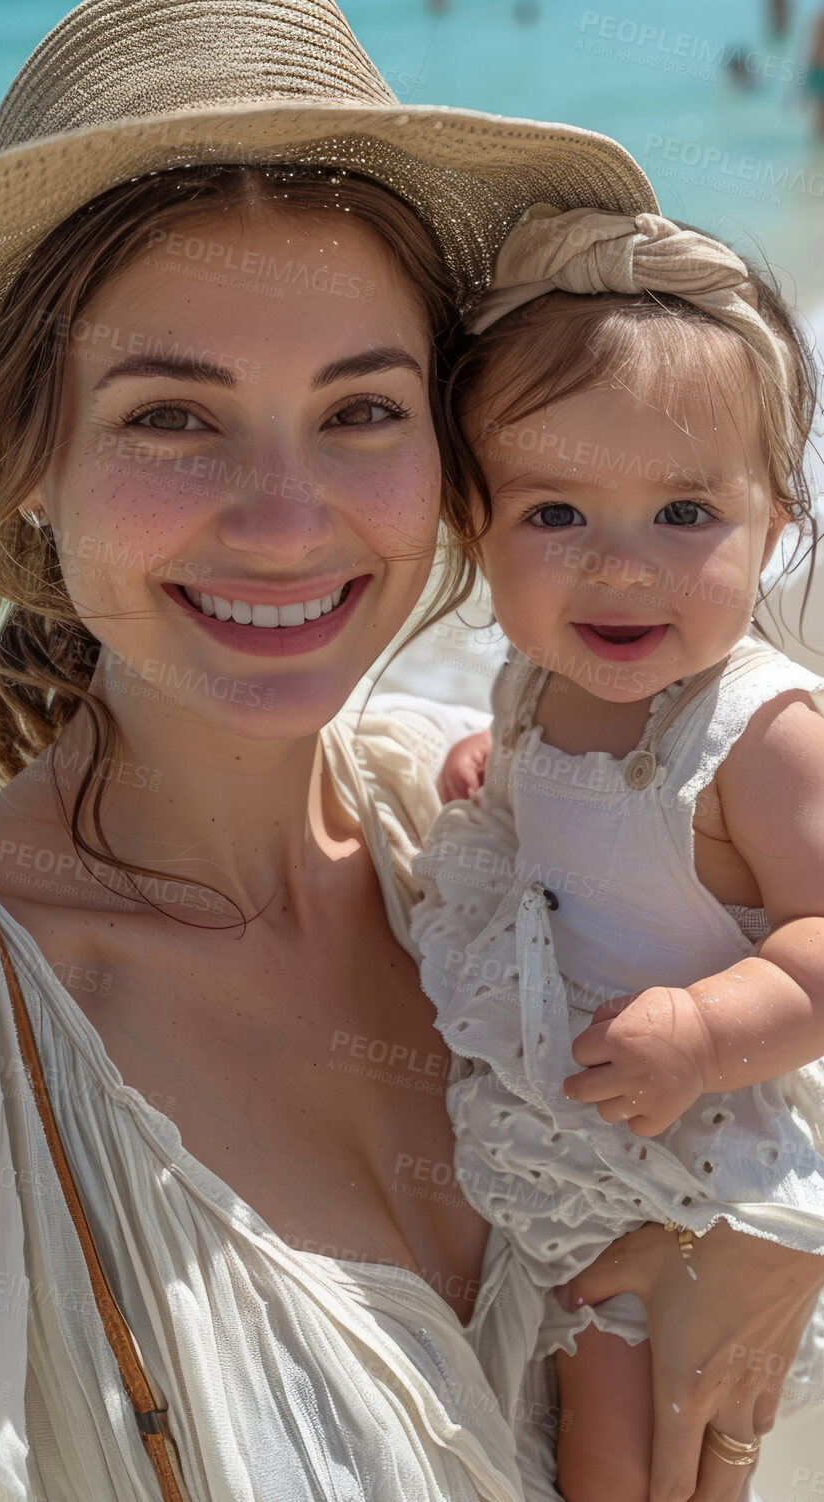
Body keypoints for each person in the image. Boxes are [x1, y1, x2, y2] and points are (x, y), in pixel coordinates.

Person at [0, 0, 818, 1502]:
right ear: (23, 459)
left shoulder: (482, 815)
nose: (283, 522)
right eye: (172, 414)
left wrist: (770, 1240)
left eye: (361, 409)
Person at [415, 204, 824, 1502]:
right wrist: (498, 783)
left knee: (627, 1429)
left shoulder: (757, 734)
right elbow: (562, 828)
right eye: (552, 512)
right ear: (472, 528)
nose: (615, 562)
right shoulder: (538, 687)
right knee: (575, 1380)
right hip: (582, 1124)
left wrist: (707, 1029)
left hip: (698, 1152)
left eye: (682, 509)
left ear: (772, 526)